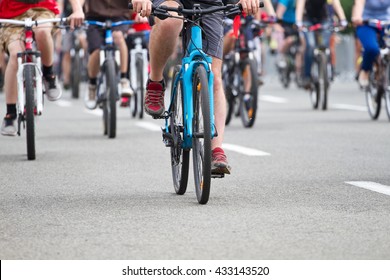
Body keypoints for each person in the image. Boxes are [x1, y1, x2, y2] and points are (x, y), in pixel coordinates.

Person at [132, 0, 260, 175]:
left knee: (214, 77)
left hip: (209, 3)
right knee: (171, 22)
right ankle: (155, 81)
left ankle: (216, 150)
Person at [0, 0, 84, 136]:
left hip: (42, 9)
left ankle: (49, 75)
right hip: (11, 14)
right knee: (15, 55)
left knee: (42, 32)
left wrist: (77, 10)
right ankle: (10, 114)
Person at [81, 0, 133, 109]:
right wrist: (77, 11)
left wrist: (139, 13)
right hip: (94, 17)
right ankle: (92, 85)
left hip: (119, 16)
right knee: (96, 50)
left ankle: (124, 80)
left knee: (119, 37)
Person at [295, 0, 347, 89]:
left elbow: (336, 3)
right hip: (308, 20)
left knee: (325, 44)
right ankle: (307, 76)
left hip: (324, 19)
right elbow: (300, 6)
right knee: (310, 45)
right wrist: (298, 22)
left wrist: (343, 19)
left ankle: (328, 70)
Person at [352, 0, 390, 88]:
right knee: (372, 48)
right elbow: (359, 3)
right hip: (367, 23)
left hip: (386, 23)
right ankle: (365, 70)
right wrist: (357, 16)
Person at [275, 0, 304, 82]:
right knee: (289, 40)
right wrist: (278, 25)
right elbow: (279, 12)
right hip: (286, 24)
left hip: (296, 24)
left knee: (301, 44)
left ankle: (299, 69)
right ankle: (281, 57)